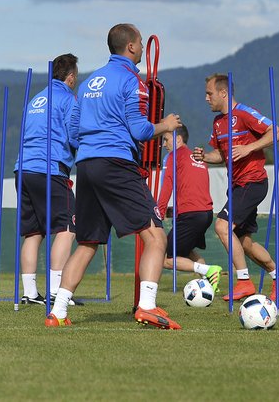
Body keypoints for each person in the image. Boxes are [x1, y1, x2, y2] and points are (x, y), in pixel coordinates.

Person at [47, 23, 182, 329]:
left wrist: (91, 149)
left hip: (88, 165)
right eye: (141, 44)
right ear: (132, 47)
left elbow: (74, 129)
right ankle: (147, 306)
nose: (144, 50)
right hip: (117, 163)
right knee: (156, 236)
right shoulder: (133, 81)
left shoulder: (89, 81)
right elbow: (140, 129)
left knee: (88, 242)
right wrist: (166, 125)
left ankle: (58, 312)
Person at [192, 73, 279, 302]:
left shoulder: (245, 113)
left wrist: (250, 148)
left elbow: (277, 132)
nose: (206, 98)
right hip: (237, 186)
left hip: (253, 181)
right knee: (244, 241)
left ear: (223, 93)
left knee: (222, 226)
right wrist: (205, 157)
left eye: (209, 93)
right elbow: (221, 154)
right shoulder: (218, 122)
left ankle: (245, 282)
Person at [15, 53, 82, 306]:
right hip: (50, 168)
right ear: (71, 77)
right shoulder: (68, 99)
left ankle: (30, 293)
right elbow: (74, 135)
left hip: (22, 168)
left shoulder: (35, 99)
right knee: (67, 228)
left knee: (33, 232)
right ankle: (56, 290)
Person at [156, 125, 222, 292]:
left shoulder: (174, 156)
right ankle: (210, 287)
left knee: (166, 258)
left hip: (190, 214)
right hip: (206, 213)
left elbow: (167, 186)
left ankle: (209, 270)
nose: (164, 144)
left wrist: (159, 212)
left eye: (166, 140)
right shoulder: (198, 157)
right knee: (188, 251)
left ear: (178, 139)